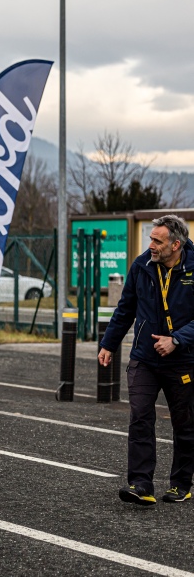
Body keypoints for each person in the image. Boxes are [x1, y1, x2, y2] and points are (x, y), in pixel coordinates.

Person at [99, 214, 194, 506]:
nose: (150, 245)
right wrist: (109, 344)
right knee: (140, 417)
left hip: (183, 360)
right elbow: (126, 307)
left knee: (185, 424)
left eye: (157, 241)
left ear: (176, 245)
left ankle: (181, 484)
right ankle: (141, 484)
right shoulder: (141, 265)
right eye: (150, 239)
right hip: (144, 357)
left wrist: (176, 339)